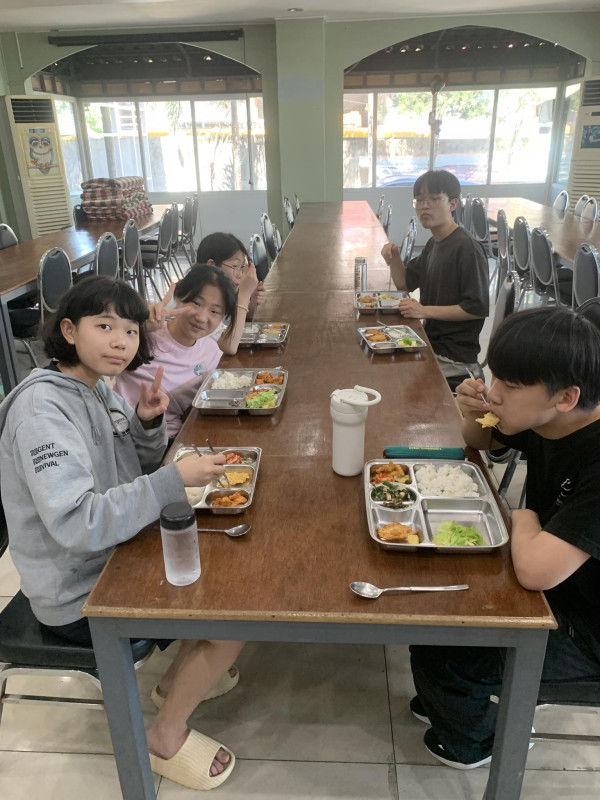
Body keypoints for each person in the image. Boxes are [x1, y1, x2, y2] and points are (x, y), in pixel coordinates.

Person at [0, 276, 243, 791]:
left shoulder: (95, 387)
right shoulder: (42, 411)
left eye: (131, 331)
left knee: (224, 563)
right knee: (234, 612)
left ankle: (174, 684)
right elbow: (77, 522)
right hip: (78, 592)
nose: (121, 342)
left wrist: (146, 425)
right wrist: (172, 479)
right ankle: (164, 735)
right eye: (105, 326)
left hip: (113, 554)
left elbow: (135, 472)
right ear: (69, 331)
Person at [409, 306, 600, 769]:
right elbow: (482, 440)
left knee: (443, 643)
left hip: (588, 632)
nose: (493, 392)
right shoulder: (549, 419)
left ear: (566, 396)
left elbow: (534, 571)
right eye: (493, 376)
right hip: (563, 586)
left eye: (509, 386)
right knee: (435, 604)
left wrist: (523, 515)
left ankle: (476, 741)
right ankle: (451, 693)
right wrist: (474, 411)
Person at [380, 170, 489, 381]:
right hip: (431, 343)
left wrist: (424, 310)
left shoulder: (466, 248)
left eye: (434, 199)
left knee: (390, 378)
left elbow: (476, 308)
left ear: (453, 204)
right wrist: (394, 258)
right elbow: (404, 283)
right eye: (420, 200)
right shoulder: (434, 244)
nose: (425, 206)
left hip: (453, 357)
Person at [114, 264, 237, 442]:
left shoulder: (210, 351)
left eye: (214, 311)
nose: (201, 317)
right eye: (196, 303)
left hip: (186, 437)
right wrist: (135, 327)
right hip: (133, 440)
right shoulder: (143, 338)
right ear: (178, 297)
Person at [197, 232, 268, 354]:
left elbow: (234, 322)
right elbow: (230, 345)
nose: (240, 275)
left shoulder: (221, 292)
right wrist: (244, 295)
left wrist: (251, 303)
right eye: (235, 266)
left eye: (242, 267)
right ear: (212, 266)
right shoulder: (198, 299)